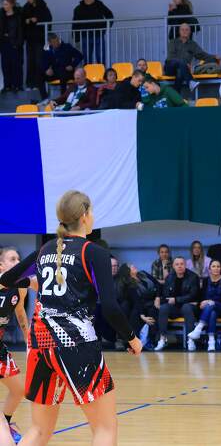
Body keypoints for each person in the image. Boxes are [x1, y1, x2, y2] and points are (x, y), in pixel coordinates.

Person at [0, 190, 141, 445]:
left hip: (40, 345)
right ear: (85, 215)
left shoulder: (44, 250)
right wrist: (132, 338)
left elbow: (7, 279)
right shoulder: (93, 252)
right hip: (76, 344)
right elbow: (110, 307)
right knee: (105, 428)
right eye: (92, 211)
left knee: (39, 430)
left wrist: (32, 282)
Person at [0, 248, 31, 443]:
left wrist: (29, 341)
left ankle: (6, 425)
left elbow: (20, 312)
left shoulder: (20, 287)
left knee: (19, 390)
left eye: (19, 258)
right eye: (12, 259)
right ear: (1, 265)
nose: (17, 262)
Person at [153, 257, 200, 352]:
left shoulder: (193, 277)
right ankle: (162, 339)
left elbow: (193, 295)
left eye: (182, 264)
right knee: (164, 308)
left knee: (186, 307)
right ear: (173, 266)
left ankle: (190, 340)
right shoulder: (169, 277)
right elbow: (165, 294)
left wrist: (176, 300)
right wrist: (162, 299)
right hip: (174, 308)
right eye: (177, 264)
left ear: (185, 265)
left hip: (189, 307)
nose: (179, 266)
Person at [165, 23, 219, 92]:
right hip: (170, 67)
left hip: (183, 69)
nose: (184, 31)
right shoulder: (173, 42)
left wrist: (214, 57)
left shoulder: (193, 44)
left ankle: (176, 95)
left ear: (190, 32)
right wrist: (184, 63)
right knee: (181, 63)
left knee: (180, 72)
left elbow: (202, 55)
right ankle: (191, 81)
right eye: (182, 30)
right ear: (179, 31)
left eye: (187, 30)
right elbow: (171, 57)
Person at [187, 260, 221, 351]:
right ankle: (211, 341)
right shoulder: (206, 280)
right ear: (209, 269)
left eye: (218, 266)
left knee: (211, 304)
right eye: (213, 266)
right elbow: (201, 296)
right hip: (209, 309)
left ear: (220, 268)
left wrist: (210, 301)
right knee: (212, 312)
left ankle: (198, 328)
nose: (216, 268)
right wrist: (201, 302)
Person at [21, 0, 52, 92]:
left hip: (39, 38)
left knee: (39, 61)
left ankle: (39, 83)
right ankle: (30, 84)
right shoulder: (26, 7)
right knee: (30, 61)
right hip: (30, 38)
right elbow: (22, 20)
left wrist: (38, 20)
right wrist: (27, 20)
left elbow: (48, 19)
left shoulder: (42, 6)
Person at [71, 0, 113, 64]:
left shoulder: (99, 5)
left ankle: (102, 71)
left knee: (100, 57)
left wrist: (105, 28)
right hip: (85, 36)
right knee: (87, 58)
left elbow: (110, 15)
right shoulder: (78, 9)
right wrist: (76, 39)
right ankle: (87, 72)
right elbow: (75, 24)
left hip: (98, 35)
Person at [40, 33, 83, 100]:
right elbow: (43, 62)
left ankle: (63, 98)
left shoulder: (67, 47)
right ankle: (45, 98)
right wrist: (46, 69)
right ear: (50, 43)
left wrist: (72, 65)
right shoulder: (47, 50)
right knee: (40, 76)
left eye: (57, 41)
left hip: (67, 71)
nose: (57, 43)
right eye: (54, 42)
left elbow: (80, 56)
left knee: (63, 76)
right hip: (55, 72)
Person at [0, 0, 23, 93]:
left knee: (15, 65)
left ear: (11, 5)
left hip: (14, 44)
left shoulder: (17, 17)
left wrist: (17, 44)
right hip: (4, 44)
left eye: (6, 4)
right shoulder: (2, 16)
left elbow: (20, 31)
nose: (4, 6)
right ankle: (7, 85)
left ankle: (16, 85)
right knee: (5, 66)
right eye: (3, 4)